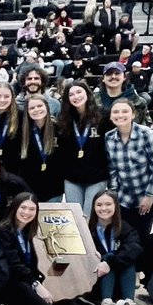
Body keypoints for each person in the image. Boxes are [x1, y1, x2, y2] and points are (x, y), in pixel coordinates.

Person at [0, 193, 97, 305]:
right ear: (15, 208)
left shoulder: (31, 231)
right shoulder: (3, 231)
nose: (27, 212)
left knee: (61, 298)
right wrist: (36, 285)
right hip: (11, 285)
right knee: (26, 288)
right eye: (23, 207)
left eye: (31, 209)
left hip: (30, 280)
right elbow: (14, 265)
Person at [105, 100, 153, 234]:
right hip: (125, 198)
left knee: (142, 235)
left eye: (125, 111)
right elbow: (112, 169)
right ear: (110, 116)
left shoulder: (148, 135)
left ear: (133, 115)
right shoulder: (109, 138)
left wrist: (149, 195)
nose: (120, 115)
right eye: (116, 112)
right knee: (126, 235)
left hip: (149, 196)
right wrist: (114, 195)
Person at [87, 190, 140, 305]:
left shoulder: (125, 227)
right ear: (93, 207)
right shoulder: (87, 229)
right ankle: (106, 304)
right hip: (96, 282)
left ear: (116, 206)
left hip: (121, 282)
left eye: (108, 204)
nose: (103, 208)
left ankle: (129, 304)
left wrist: (110, 261)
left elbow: (134, 248)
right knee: (108, 257)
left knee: (121, 258)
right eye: (99, 205)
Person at [56, 80, 109, 218]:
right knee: (75, 218)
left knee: (89, 216)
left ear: (87, 93)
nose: (76, 96)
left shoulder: (103, 115)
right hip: (72, 178)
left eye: (79, 92)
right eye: (71, 94)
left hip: (97, 177)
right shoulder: (64, 119)